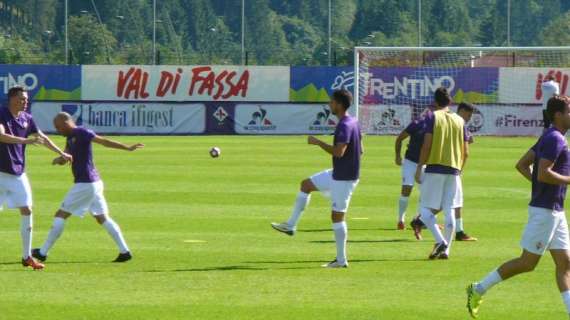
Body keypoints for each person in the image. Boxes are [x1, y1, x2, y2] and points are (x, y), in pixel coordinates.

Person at [467, 95, 570, 318]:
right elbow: (543, 173)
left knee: (565, 263)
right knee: (527, 263)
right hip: (546, 212)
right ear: (558, 115)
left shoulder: (550, 136)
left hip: (555, 210)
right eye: (569, 110)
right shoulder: (555, 139)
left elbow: (522, 165)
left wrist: (539, 186)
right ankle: (477, 289)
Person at [32, 112, 144, 263]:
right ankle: (125, 251)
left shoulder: (82, 132)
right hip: (93, 183)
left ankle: (43, 253)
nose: (57, 130)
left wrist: (127, 148)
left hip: (86, 183)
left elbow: (103, 141)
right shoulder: (70, 138)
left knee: (60, 215)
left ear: (66, 123)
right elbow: (67, 156)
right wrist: (59, 159)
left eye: (58, 127)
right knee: (102, 218)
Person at [270, 89, 362, 268]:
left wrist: (318, 142)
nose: (330, 104)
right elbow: (361, 148)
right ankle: (291, 225)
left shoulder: (344, 125)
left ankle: (341, 261)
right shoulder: (354, 121)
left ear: (339, 104)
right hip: (339, 173)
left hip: (344, 178)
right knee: (306, 185)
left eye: (332, 102)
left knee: (337, 217)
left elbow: (339, 152)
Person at [0, 86, 72, 270]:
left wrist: (61, 153)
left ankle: (27, 257)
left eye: (26, 99)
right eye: (22, 99)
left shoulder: (27, 118)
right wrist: (25, 141)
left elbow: (41, 138)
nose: (25, 102)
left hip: (17, 173)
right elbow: (1, 136)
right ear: (12, 99)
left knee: (27, 210)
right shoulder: (1, 113)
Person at [414, 87, 469, 260]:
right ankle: (446, 250)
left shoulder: (432, 116)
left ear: (435, 102)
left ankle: (440, 242)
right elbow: (465, 150)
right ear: (450, 102)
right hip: (454, 169)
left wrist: (419, 166)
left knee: (424, 210)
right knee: (449, 209)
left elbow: (427, 144)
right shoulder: (460, 120)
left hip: (435, 167)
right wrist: (459, 168)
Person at [394, 112, 428, 230]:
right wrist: (398, 156)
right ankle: (400, 219)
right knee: (406, 189)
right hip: (410, 162)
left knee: (426, 193)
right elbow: (399, 139)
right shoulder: (417, 123)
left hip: (425, 164)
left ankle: (420, 220)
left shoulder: (436, 124)